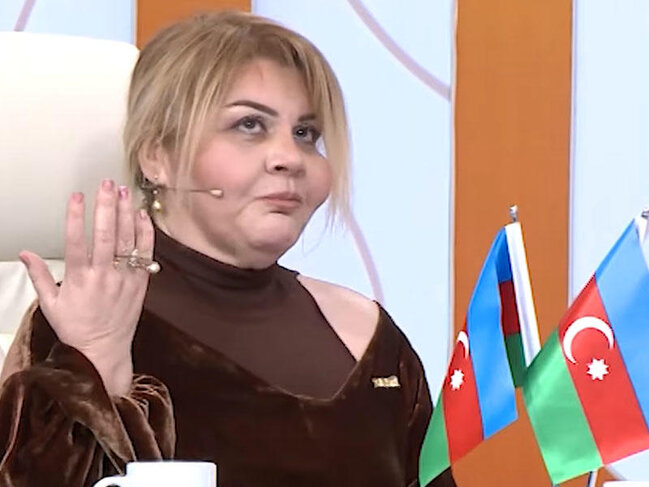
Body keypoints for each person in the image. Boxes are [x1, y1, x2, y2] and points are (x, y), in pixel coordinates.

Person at [0, 11, 455, 487]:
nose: (289, 158)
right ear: (157, 157)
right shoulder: (83, 316)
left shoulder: (371, 337)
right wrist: (97, 367)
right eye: (249, 125)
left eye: (306, 133)